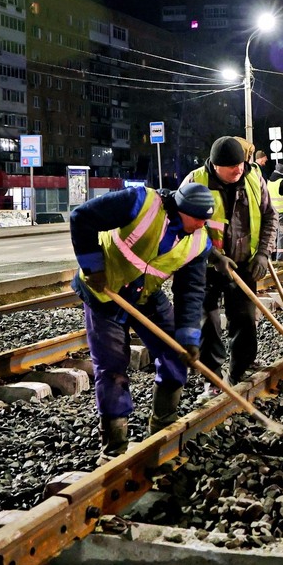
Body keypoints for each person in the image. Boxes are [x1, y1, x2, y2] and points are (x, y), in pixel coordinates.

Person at [69, 181, 219, 464]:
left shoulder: (198, 243)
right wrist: (93, 267)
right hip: (104, 292)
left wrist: (188, 338)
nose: (201, 224)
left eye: (205, 219)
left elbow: (191, 291)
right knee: (112, 367)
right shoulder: (140, 203)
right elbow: (82, 217)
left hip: (144, 295)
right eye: (197, 218)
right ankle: (114, 448)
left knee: (175, 350)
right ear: (181, 208)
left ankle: (163, 428)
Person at [180, 135, 278, 385]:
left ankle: (239, 371)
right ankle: (211, 376)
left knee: (244, 318)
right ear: (215, 166)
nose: (238, 169)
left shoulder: (254, 177)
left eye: (241, 164)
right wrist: (213, 255)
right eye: (232, 166)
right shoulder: (195, 181)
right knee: (208, 321)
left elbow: (270, 216)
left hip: (243, 265)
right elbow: (183, 227)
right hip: (203, 266)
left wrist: (264, 254)